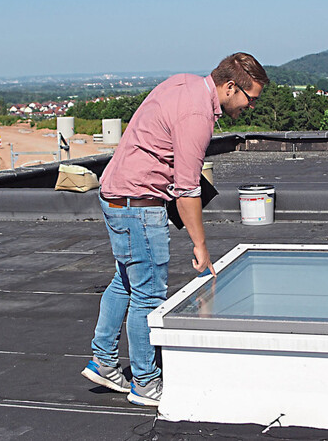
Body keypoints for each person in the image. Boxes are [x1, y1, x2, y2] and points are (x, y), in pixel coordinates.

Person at [81, 53, 269, 406]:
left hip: (115, 196)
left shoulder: (182, 82)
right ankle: (146, 383)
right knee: (149, 295)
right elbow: (186, 189)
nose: (251, 106)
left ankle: (104, 360)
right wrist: (201, 245)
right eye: (250, 98)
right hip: (140, 206)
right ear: (230, 87)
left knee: (125, 281)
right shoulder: (198, 116)